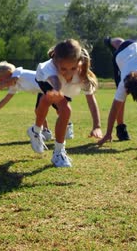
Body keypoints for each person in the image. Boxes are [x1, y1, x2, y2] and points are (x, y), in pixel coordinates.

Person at [28, 39, 102, 168]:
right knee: (64, 108)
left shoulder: (82, 74)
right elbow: (54, 80)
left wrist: (97, 125)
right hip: (45, 80)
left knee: (60, 108)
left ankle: (52, 146)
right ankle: (43, 138)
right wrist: (57, 90)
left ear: (79, 63)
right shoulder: (49, 68)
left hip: (63, 88)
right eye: (63, 69)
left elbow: (91, 100)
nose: (68, 73)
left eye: (73, 68)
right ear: (56, 62)